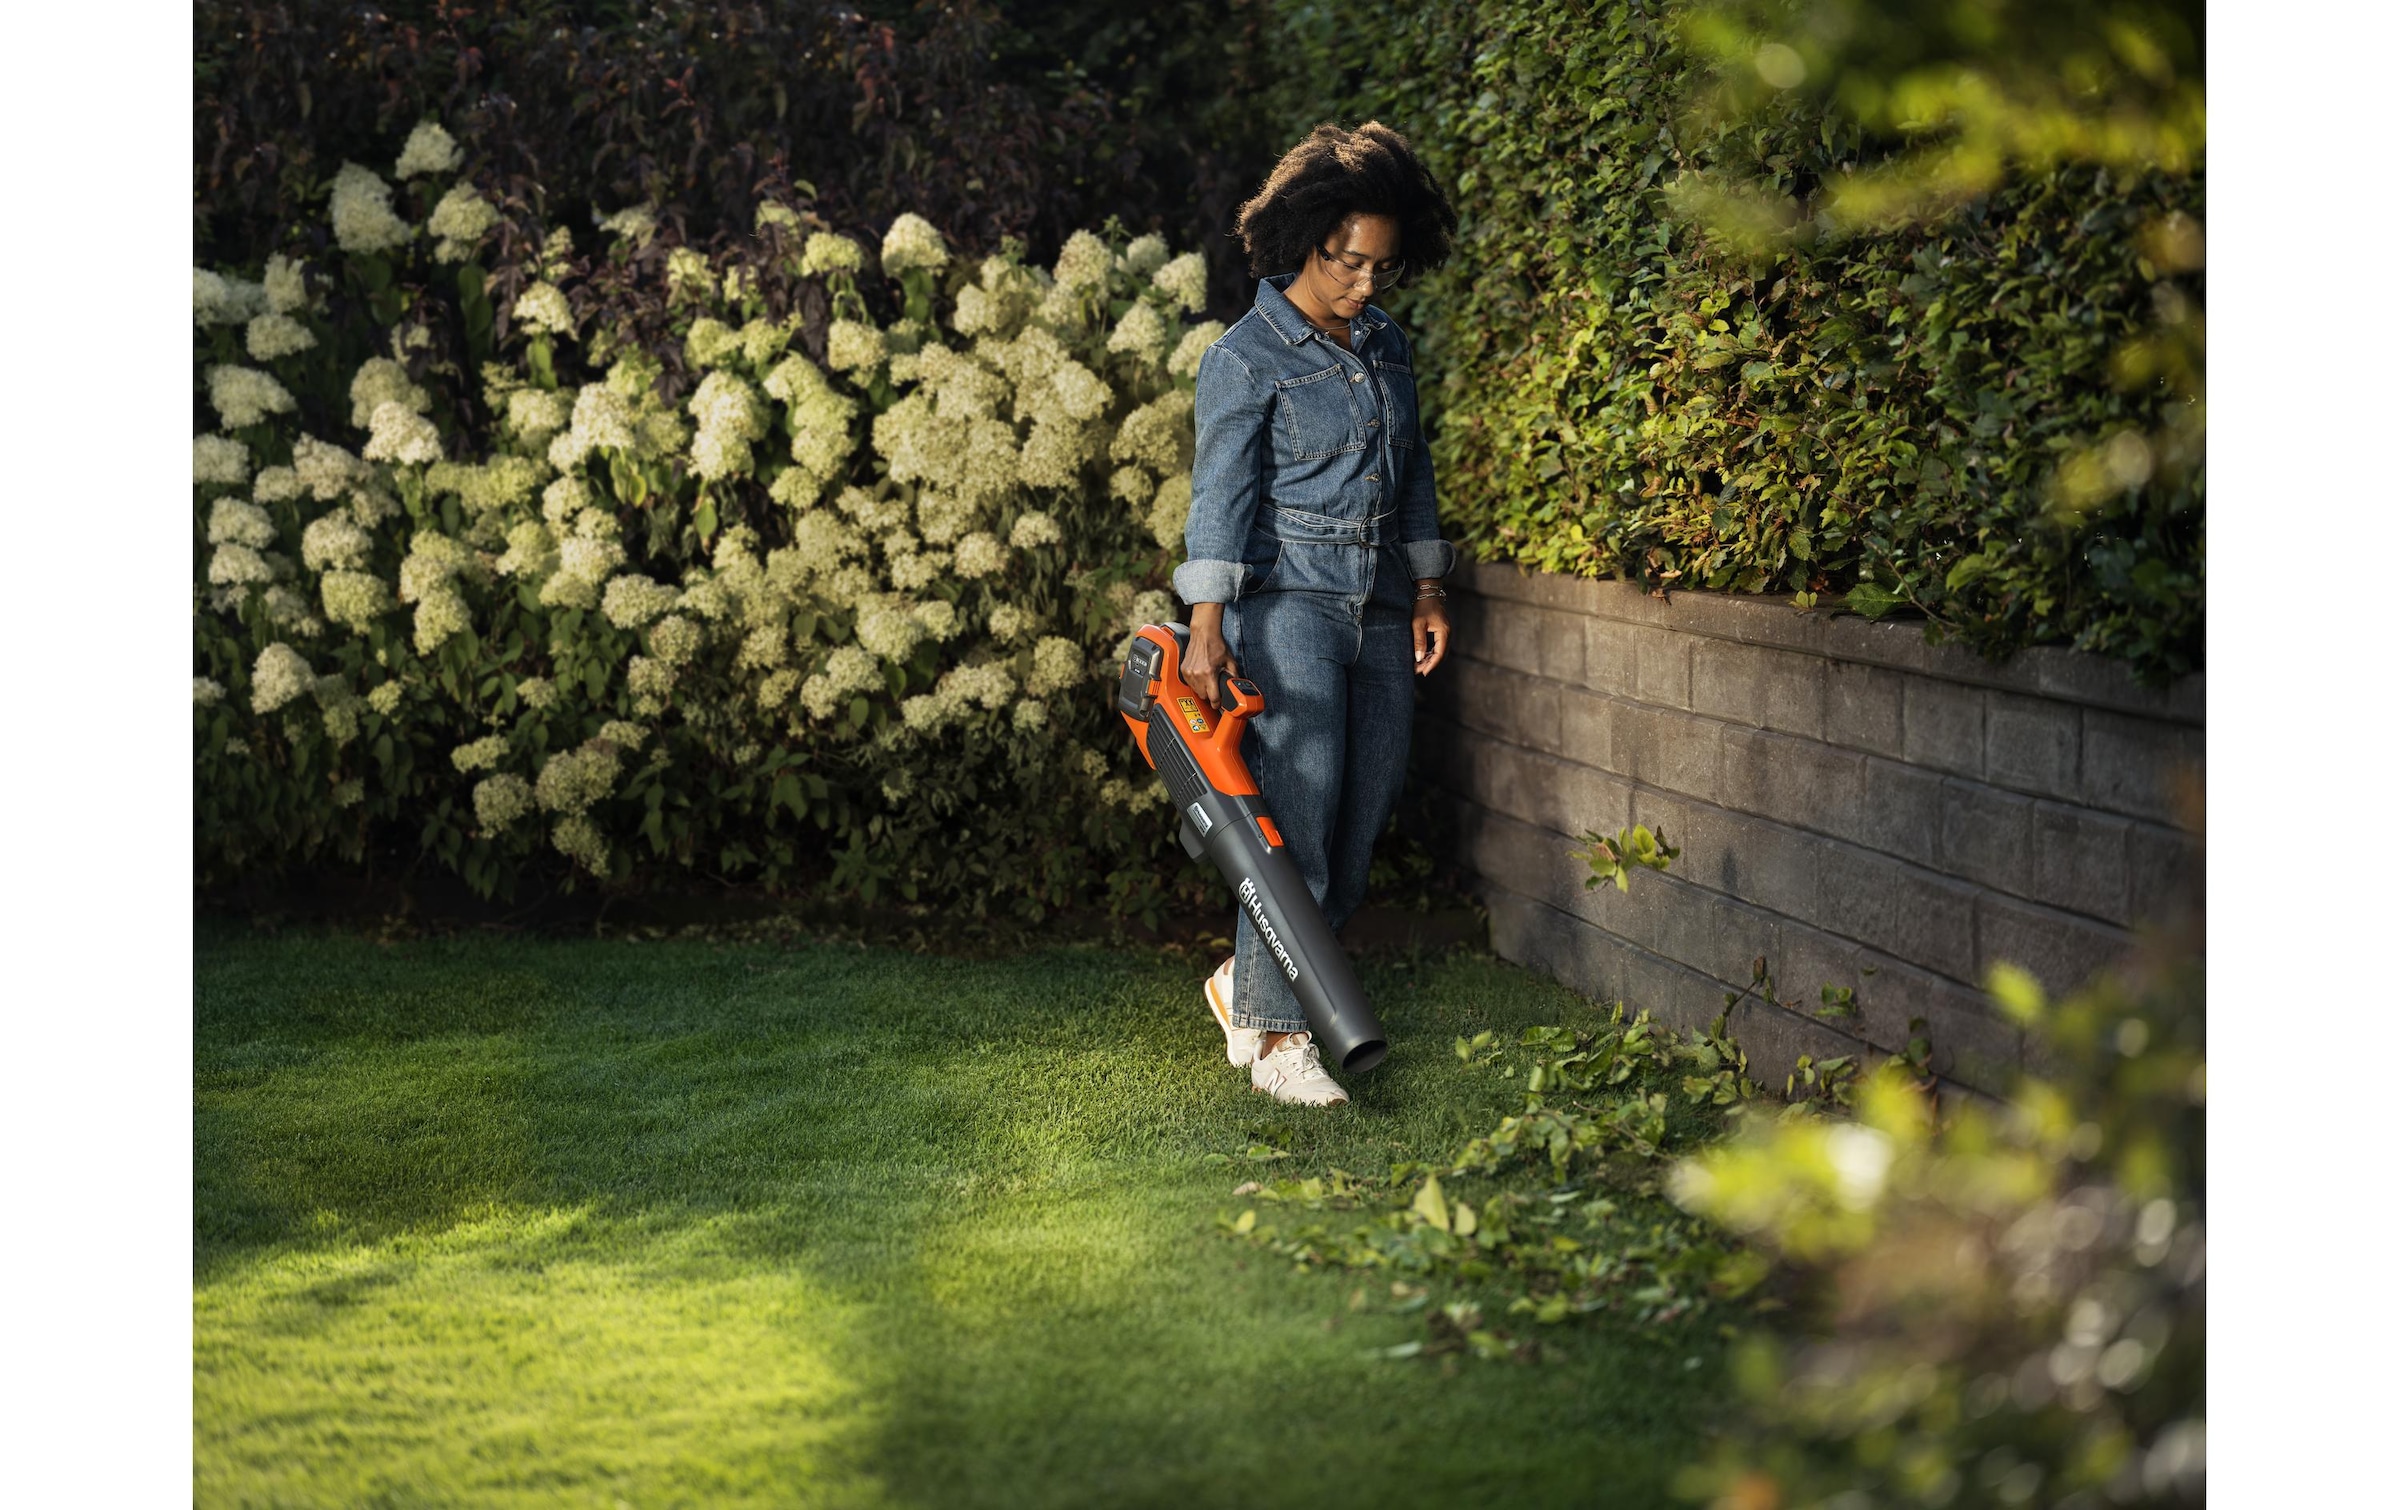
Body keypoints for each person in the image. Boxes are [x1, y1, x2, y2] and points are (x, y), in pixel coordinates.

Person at [1174, 121, 1460, 1107]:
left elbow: (1411, 470)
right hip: (1285, 603)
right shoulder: (1245, 358)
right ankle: (1274, 1031)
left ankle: (1243, 982)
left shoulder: (1385, 347)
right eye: (1347, 263)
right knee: (1296, 812)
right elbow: (1218, 498)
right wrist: (1207, 623)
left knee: (1363, 810)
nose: (1365, 286)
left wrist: (1426, 585)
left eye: (1381, 265)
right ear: (1305, 240)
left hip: (1379, 602)